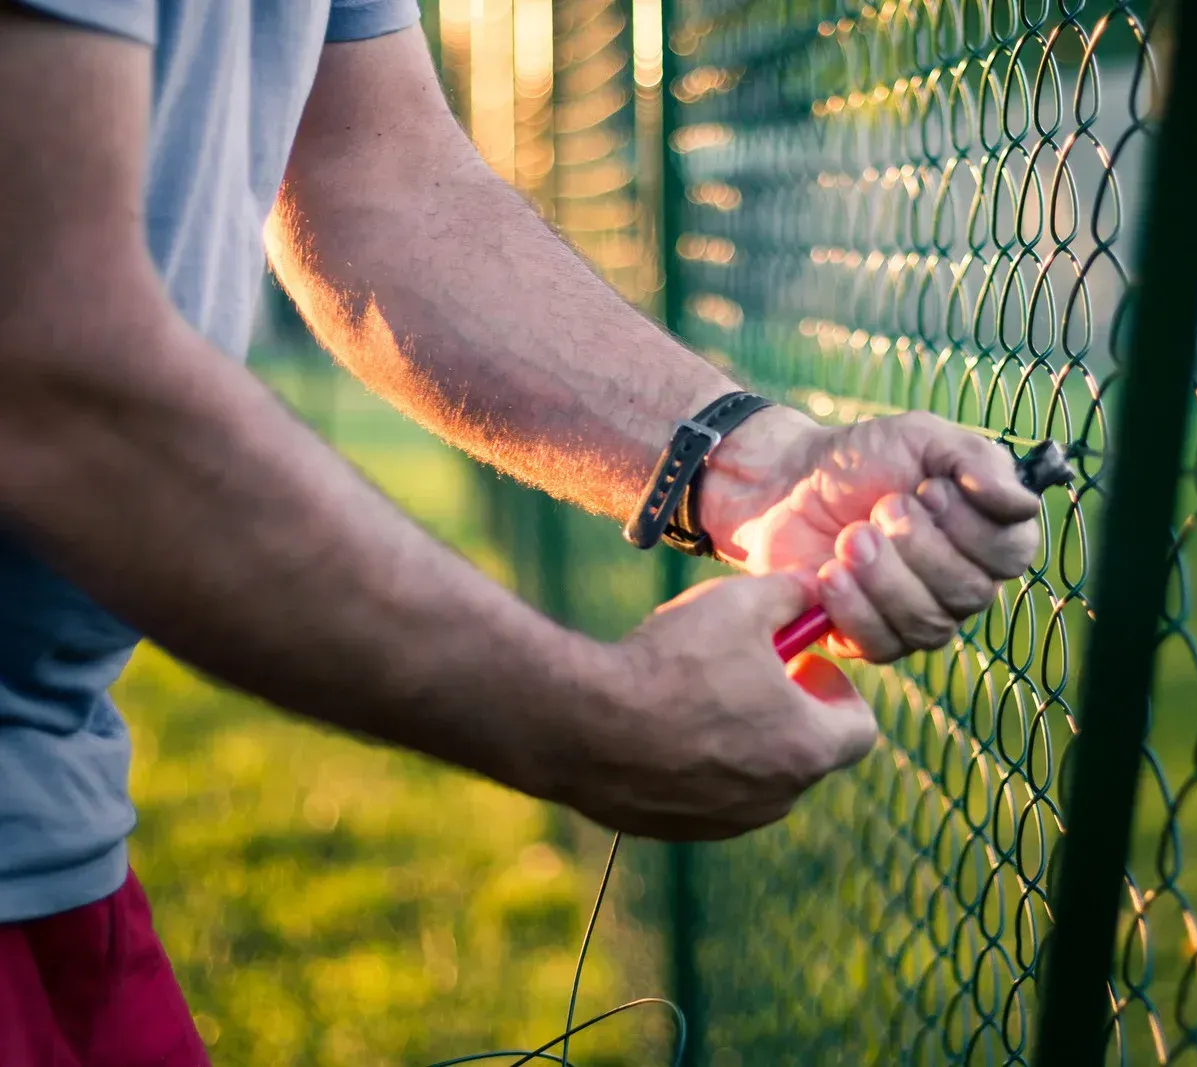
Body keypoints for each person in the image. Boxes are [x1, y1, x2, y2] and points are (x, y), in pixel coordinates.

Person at [0, 0, 1043, 1062]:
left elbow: (378, 183)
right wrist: (595, 719)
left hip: (52, 829)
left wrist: (760, 467)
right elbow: (46, 357)